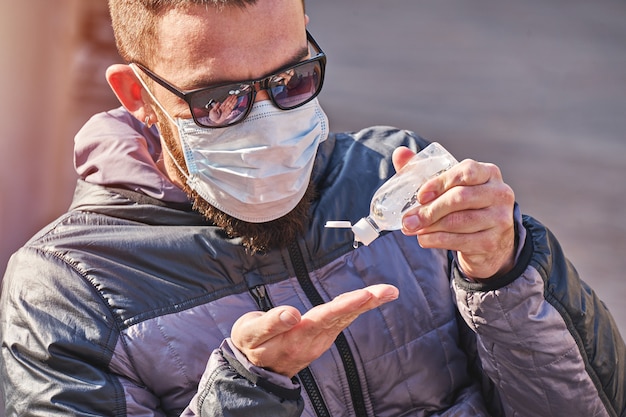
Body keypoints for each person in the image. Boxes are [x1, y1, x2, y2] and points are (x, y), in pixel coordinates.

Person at [1, 0, 624, 415]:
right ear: (139, 95)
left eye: (292, 80)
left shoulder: (398, 178)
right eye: (221, 101)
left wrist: (506, 270)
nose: (269, 123)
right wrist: (248, 390)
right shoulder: (65, 289)